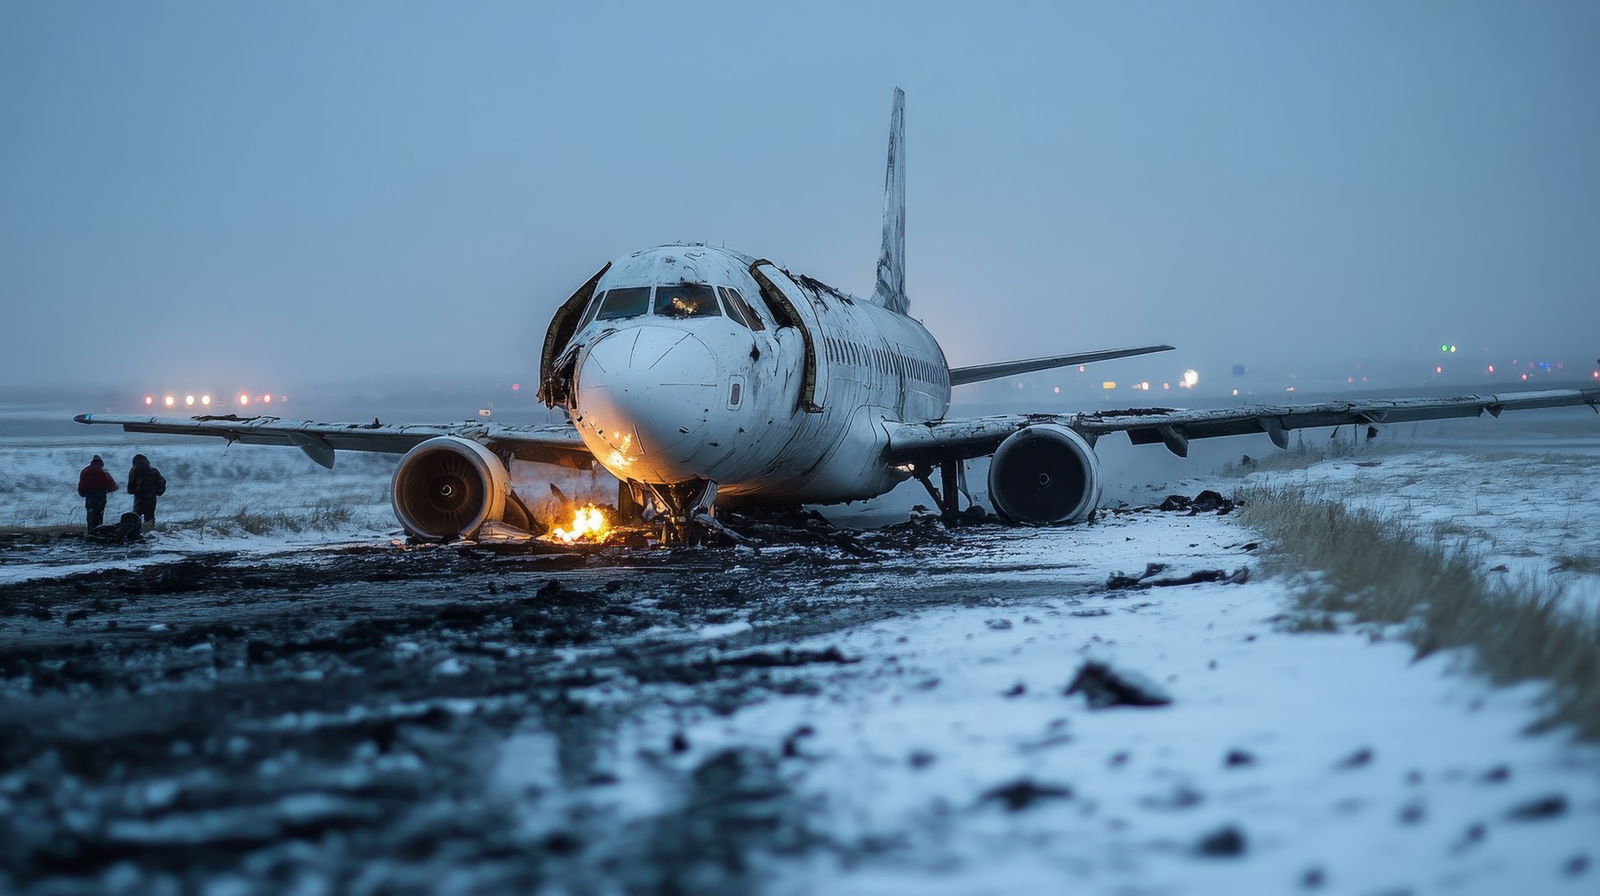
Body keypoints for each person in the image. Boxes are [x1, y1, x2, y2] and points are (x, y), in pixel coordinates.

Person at [76, 455, 117, 532]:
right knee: (99, 516)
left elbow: (81, 485)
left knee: (91, 516)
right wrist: (110, 489)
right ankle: (98, 532)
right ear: (100, 463)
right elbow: (111, 485)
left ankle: (90, 531)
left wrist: (82, 493)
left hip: (90, 497)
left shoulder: (85, 471)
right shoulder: (102, 471)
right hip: (100, 496)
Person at [126, 453, 167, 527]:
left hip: (139, 497)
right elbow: (162, 481)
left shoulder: (134, 470)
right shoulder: (153, 471)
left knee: (136, 515)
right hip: (151, 497)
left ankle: (136, 531)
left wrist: (131, 491)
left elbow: (131, 483)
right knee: (150, 516)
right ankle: (149, 531)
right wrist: (158, 491)